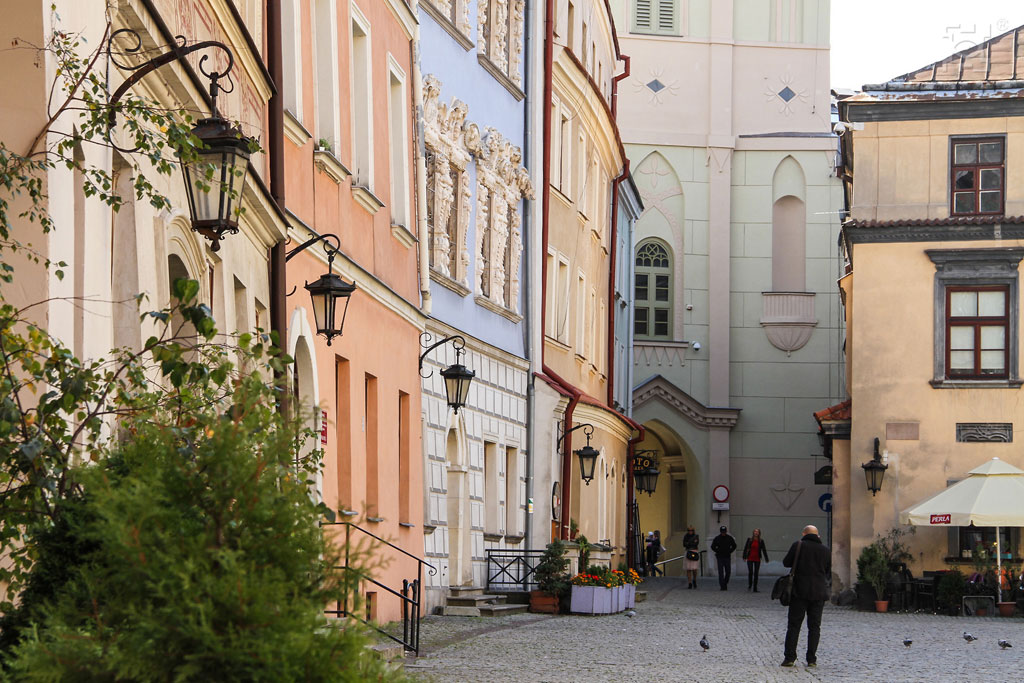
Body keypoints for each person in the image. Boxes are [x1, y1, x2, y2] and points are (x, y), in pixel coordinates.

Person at [781, 524, 831, 669]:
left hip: (799, 592)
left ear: (804, 534)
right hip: (819, 593)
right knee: (815, 627)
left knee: (794, 625)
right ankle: (811, 659)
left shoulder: (798, 545)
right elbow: (827, 570)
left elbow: (786, 562)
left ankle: (790, 658)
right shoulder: (826, 550)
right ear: (818, 536)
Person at [710, 525, 737, 591]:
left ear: (726, 531)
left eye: (724, 532)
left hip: (727, 557)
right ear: (720, 532)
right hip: (720, 557)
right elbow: (712, 546)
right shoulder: (717, 538)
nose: (723, 533)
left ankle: (725, 583)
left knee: (728, 571)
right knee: (721, 572)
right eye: (722, 532)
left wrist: (730, 551)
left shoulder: (729, 538)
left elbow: (734, 545)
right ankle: (722, 586)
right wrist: (717, 551)